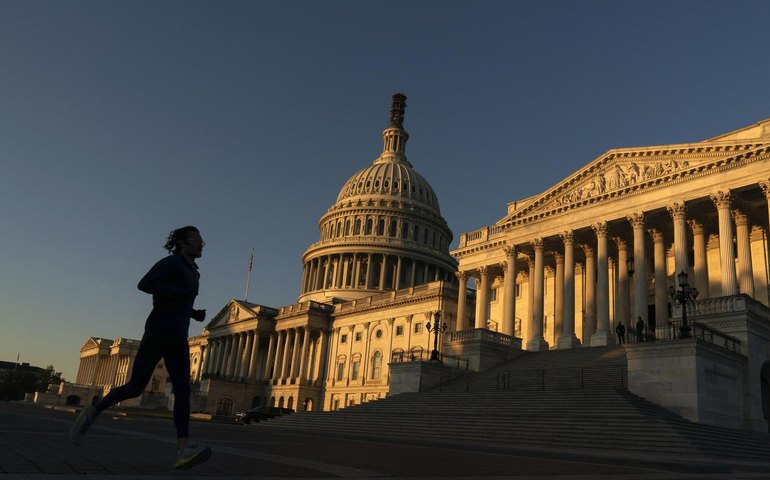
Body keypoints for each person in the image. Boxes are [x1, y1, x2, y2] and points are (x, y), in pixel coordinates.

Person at [70, 226, 211, 469]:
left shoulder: (194, 272)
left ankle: (183, 449)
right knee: (135, 387)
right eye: (197, 240)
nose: (202, 244)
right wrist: (177, 292)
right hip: (158, 331)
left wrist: (193, 312)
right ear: (183, 242)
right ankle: (93, 411)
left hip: (179, 336)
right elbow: (145, 284)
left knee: (183, 391)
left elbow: (180, 302)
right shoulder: (171, 263)